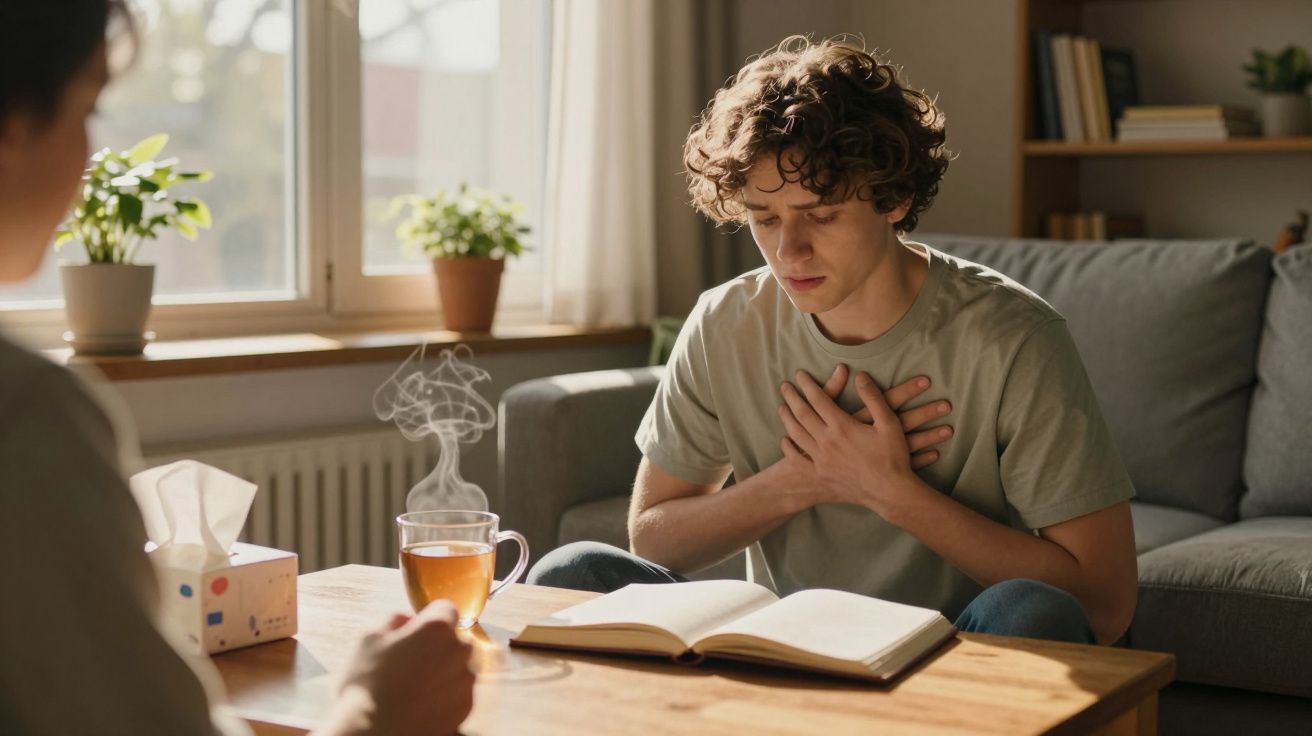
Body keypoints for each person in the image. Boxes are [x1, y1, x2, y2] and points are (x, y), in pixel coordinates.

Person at [529, 36, 1138, 646]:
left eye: (820, 215)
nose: (788, 252)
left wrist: (888, 490)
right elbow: (654, 536)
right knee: (570, 573)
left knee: (1032, 612)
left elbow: (1104, 603)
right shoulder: (724, 321)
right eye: (765, 219)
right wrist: (801, 480)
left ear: (895, 199)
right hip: (783, 647)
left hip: (959, 652)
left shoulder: (1014, 337)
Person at [0, 2, 474, 734]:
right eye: (87, 109)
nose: (90, 155)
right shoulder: (27, 419)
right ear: (12, 121)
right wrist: (374, 711)